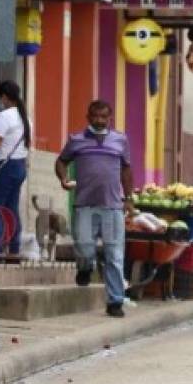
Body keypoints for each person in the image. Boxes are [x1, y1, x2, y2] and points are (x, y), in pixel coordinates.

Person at [56, 100, 133, 318]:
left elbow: (126, 170)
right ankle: (85, 267)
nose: (99, 120)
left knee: (114, 255)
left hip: (113, 206)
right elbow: (61, 161)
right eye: (95, 116)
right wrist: (64, 178)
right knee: (84, 247)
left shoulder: (120, 140)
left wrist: (129, 198)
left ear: (110, 119)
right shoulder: (76, 140)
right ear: (88, 117)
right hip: (84, 204)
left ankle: (115, 301)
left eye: (104, 117)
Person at [0, 81, 31, 258]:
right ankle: (14, 248)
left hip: (4, 167)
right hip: (19, 165)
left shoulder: (4, 116)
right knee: (11, 208)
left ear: (4, 96)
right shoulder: (26, 117)